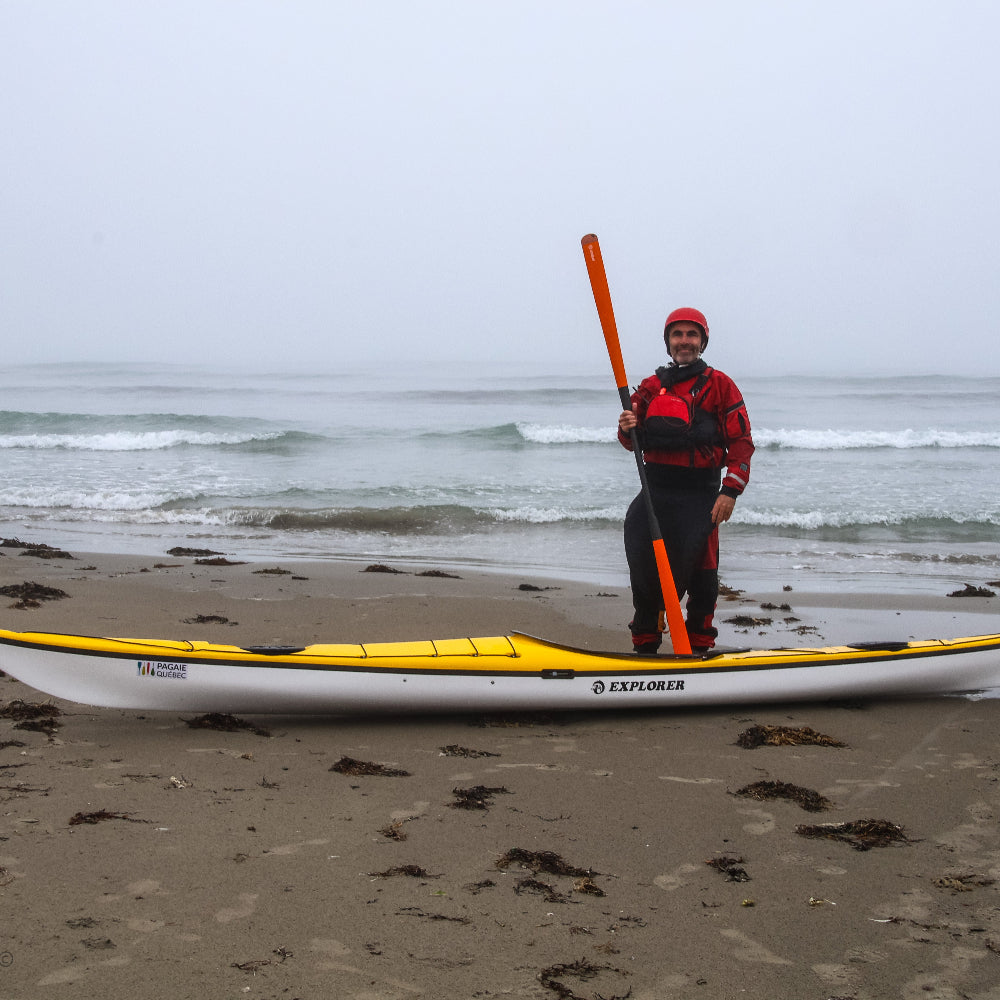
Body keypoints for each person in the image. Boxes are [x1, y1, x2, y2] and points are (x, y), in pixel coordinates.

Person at [617, 307, 753, 654]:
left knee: (703, 577)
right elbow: (629, 441)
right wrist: (626, 426)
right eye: (677, 335)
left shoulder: (721, 385)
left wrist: (730, 491)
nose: (684, 341)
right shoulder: (650, 387)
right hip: (656, 492)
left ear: (702, 341)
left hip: (701, 494)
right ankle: (645, 644)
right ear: (669, 342)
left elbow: (741, 443)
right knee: (646, 572)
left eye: (692, 335)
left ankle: (699, 646)